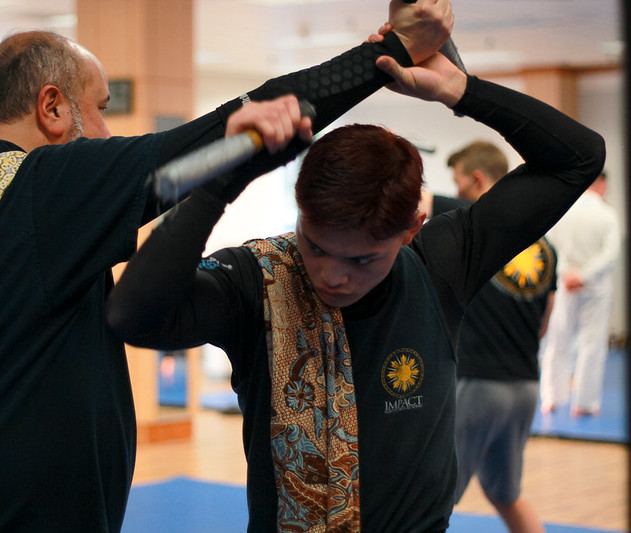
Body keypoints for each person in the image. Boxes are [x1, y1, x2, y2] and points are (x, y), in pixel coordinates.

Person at [0, 3, 455, 532]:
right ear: (52, 108)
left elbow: (180, 175)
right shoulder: (36, 188)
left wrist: (222, 157)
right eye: (100, 107)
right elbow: (214, 141)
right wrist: (394, 50)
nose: (109, 131)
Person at [106, 38, 606, 533]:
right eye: (316, 246)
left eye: (364, 258)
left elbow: (579, 157)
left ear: (410, 230)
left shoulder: (440, 266)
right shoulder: (257, 279)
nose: (334, 274)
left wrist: (463, 92)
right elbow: (134, 316)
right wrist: (219, 182)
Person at [430, 141, 555, 533]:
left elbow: (414, 197)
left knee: (432, 499)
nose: (456, 190)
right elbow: (544, 322)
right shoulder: (544, 245)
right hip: (525, 387)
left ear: (477, 180)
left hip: (481, 385)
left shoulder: (472, 220)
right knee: (505, 494)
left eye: (459, 182)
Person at [539, 171, 620, 417]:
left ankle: (552, 398)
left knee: (557, 342)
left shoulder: (564, 210)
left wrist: (567, 274)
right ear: (602, 184)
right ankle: (584, 403)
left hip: (565, 284)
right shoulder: (608, 215)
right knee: (591, 344)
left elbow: (549, 246)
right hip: (595, 288)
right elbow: (611, 253)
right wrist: (583, 276)